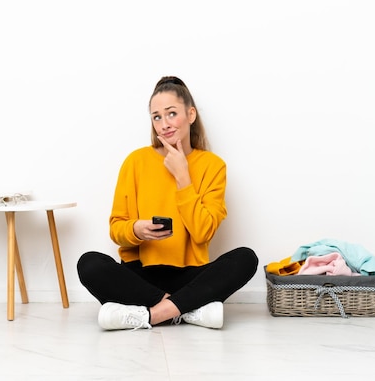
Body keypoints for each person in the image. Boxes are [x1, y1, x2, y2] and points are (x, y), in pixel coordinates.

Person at [77, 76, 259, 330]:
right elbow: (116, 230)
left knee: (246, 259)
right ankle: (185, 310)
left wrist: (183, 177)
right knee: (89, 264)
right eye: (157, 117)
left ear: (191, 114)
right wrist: (136, 230)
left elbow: (203, 232)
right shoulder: (135, 162)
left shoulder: (213, 166)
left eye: (171, 114)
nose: (164, 124)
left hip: (190, 275)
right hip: (140, 274)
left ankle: (149, 315)